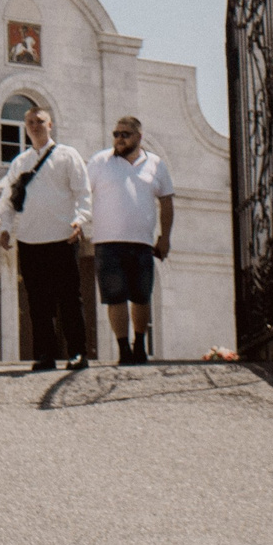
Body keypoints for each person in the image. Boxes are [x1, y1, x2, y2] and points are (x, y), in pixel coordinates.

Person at [0, 103, 93, 371]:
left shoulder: (68, 155)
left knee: (69, 299)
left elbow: (83, 193)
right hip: (29, 240)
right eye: (30, 122)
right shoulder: (20, 162)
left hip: (63, 237)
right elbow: (7, 202)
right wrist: (5, 228)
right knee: (38, 302)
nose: (35, 126)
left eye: (40, 121)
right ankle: (45, 355)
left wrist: (80, 220)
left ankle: (77, 353)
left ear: (50, 125)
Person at [86, 116, 173, 366]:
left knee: (141, 297)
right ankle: (123, 349)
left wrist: (164, 238)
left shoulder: (156, 165)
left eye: (125, 134)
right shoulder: (100, 161)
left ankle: (139, 343)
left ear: (139, 137)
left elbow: (167, 202)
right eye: (116, 134)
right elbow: (83, 193)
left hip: (142, 243)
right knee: (115, 297)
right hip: (107, 241)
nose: (119, 138)